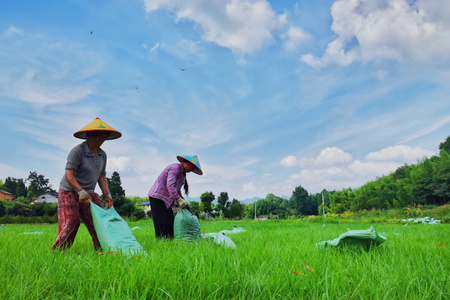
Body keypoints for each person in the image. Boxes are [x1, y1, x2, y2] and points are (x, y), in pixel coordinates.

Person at [52, 117, 121, 251]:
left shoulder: (102, 154)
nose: (103, 140)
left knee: (98, 221)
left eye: (104, 137)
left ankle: (103, 250)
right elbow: (69, 174)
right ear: (90, 136)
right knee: (72, 221)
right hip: (69, 191)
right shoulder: (78, 151)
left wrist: (107, 194)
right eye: (101, 136)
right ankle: (59, 252)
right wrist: (80, 191)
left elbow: (101, 176)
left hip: (89, 191)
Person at [148, 155, 203, 239]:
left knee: (170, 221)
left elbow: (177, 190)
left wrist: (182, 200)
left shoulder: (182, 174)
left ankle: (170, 241)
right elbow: (170, 185)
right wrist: (178, 199)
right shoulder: (175, 168)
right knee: (162, 222)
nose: (191, 170)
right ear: (186, 163)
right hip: (158, 196)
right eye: (191, 168)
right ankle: (162, 243)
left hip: (167, 200)